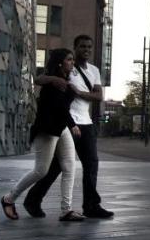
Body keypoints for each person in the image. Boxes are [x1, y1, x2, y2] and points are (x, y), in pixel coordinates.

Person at [23, 34, 112, 219]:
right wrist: (53, 80)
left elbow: (99, 96)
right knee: (55, 167)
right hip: (67, 122)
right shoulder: (68, 66)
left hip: (86, 123)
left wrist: (78, 92)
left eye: (89, 47)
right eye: (82, 46)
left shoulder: (94, 70)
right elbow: (39, 79)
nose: (86, 50)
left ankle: (92, 206)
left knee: (91, 164)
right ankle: (33, 200)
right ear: (75, 47)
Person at [1, 48, 83, 222]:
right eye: (69, 59)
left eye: (73, 60)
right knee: (41, 171)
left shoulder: (64, 81)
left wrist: (72, 90)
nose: (72, 63)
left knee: (70, 167)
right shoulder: (52, 83)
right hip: (47, 130)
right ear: (59, 62)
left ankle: (66, 210)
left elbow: (64, 107)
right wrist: (73, 124)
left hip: (60, 128)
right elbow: (58, 107)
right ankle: (8, 199)